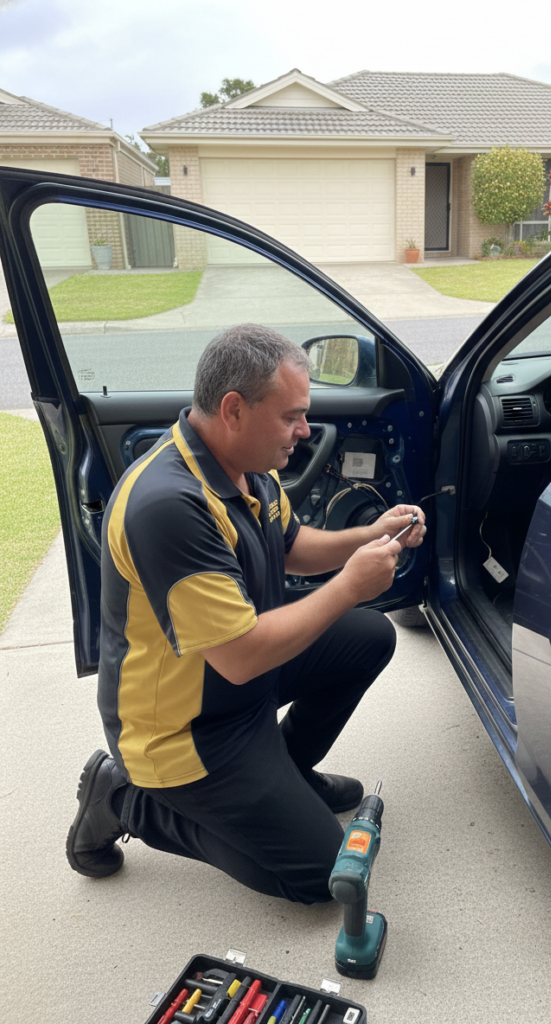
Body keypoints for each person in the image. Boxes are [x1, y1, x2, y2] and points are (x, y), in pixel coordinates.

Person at [66, 323, 426, 904]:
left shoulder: (246, 463)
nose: (304, 431)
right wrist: (350, 586)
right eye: (292, 417)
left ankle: (287, 767)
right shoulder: (169, 505)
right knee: (320, 878)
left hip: (234, 683)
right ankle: (121, 797)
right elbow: (239, 658)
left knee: (368, 636)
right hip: (185, 727)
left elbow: (292, 543)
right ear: (234, 409)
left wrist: (369, 534)